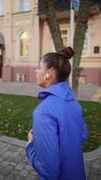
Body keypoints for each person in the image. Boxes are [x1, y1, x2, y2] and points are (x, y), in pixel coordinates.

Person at [26, 47, 88, 180]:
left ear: (48, 73)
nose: (36, 71)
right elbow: (83, 135)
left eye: (39, 67)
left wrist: (30, 144)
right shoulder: (74, 103)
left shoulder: (43, 112)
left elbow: (48, 172)